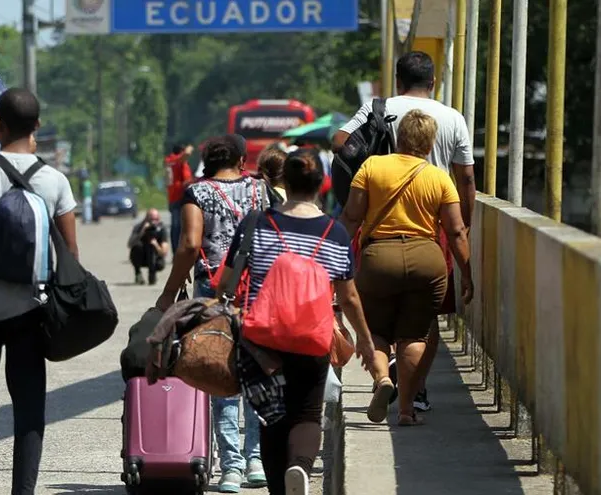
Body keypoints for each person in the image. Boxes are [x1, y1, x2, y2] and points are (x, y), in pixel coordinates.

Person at [219, 149, 376, 494]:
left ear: (284, 183)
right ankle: (300, 467)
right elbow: (349, 297)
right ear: (322, 185)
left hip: (263, 341)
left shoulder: (255, 224)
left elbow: (226, 283)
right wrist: (365, 340)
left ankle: (279, 488)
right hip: (312, 338)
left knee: (272, 418)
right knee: (306, 414)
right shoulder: (335, 232)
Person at [0, 87, 78, 495]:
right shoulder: (55, 181)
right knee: (28, 405)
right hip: (31, 306)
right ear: (37, 125)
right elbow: (70, 253)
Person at [333, 51, 477, 412]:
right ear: (433, 82)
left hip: (378, 236)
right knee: (422, 325)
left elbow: (340, 142)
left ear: (398, 80)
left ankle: (383, 378)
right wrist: (465, 229)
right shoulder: (452, 120)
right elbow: (467, 179)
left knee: (378, 322)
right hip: (432, 233)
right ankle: (414, 397)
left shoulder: (378, 114)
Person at [155, 134, 270, 493]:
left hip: (213, 291)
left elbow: (190, 244)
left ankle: (231, 467)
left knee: (218, 369)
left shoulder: (197, 192)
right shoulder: (261, 190)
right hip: (257, 288)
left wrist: (169, 294)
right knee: (257, 370)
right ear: (241, 160)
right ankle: (256, 460)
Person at [165, 143, 195, 255]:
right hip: (180, 197)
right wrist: (190, 146)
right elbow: (187, 153)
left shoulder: (169, 160)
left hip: (172, 197)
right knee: (179, 226)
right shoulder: (177, 160)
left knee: (176, 226)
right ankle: (179, 252)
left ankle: (176, 252)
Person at [128, 208, 170, 285]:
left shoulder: (161, 229)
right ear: (146, 219)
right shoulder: (139, 227)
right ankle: (138, 273)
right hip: (141, 256)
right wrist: (142, 231)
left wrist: (156, 245)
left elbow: (164, 252)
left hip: (156, 257)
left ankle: (152, 274)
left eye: (156, 219)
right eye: (151, 219)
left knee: (152, 249)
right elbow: (130, 244)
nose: (153, 222)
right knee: (137, 247)